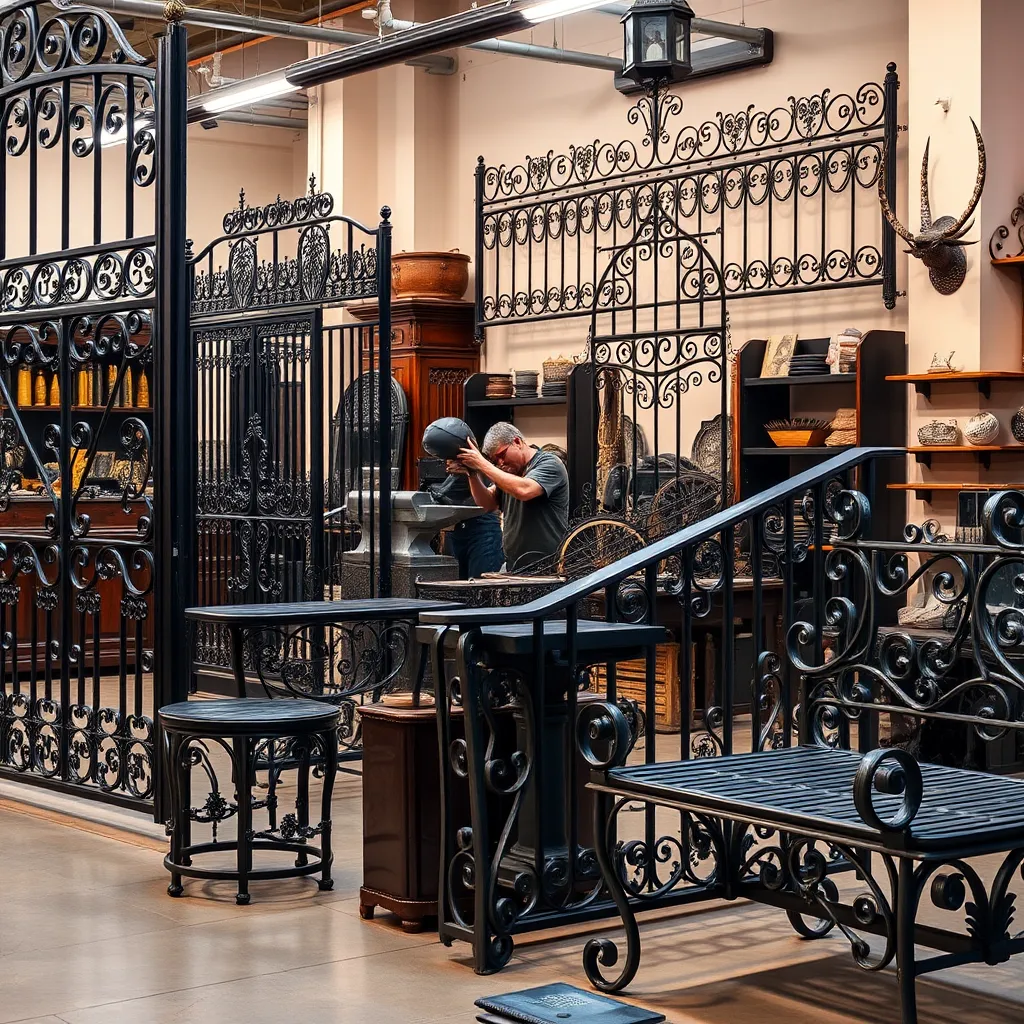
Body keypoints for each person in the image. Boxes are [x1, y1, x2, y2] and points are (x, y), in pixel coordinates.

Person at [449, 422, 569, 572]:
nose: (500, 463)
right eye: (494, 461)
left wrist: (482, 464)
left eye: (501, 455)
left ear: (517, 442)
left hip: (547, 567)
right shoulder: (508, 474)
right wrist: (472, 474)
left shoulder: (550, 463)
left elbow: (525, 490)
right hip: (514, 566)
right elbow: (487, 504)